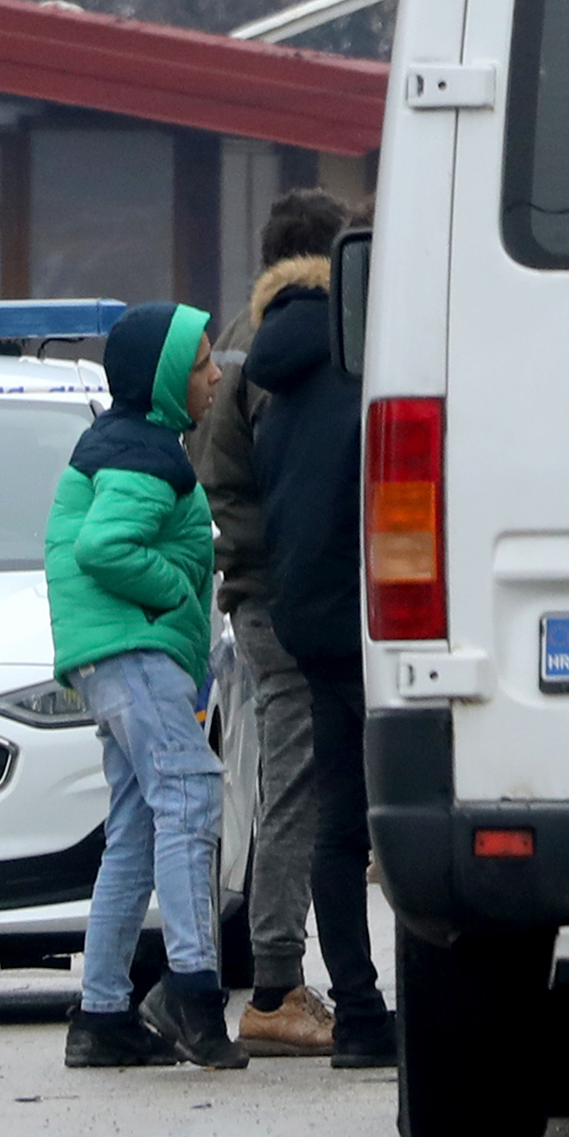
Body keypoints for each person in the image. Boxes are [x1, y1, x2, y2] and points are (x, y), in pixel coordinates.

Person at [50, 299, 241, 1071]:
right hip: (135, 647)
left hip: (113, 653)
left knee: (135, 824)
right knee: (191, 796)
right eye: (200, 366)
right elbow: (104, 546)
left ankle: (102, 1012)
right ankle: (190, 992)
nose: (216, 374)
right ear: (164, 378)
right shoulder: (144, 453)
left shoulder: (125, 441)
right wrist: (172, 594)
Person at [235, 195, 402, 1071]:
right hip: (374, 619)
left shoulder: (282, 369)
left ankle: (364, 1015)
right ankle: (452, 1006)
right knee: (413, 817)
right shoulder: (369, 362)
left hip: (307, 615)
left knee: (339, 824)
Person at [191, 188, 353, 1057]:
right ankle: (277, 983)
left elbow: (222, 486)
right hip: (309, 602)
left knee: (287, 784)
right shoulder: (342, 354)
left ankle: (288, 975)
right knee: (304, 790)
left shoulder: (242, 370)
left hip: (257, 599)